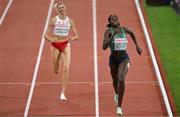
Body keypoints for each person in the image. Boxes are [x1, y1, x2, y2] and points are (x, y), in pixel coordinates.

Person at [102, 14, 142, 115]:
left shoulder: (124, 29)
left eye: (116, 18)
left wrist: (137, 46)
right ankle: (116, 93)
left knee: (121, 79)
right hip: (113, 59)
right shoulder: (108, 31)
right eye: (112, 19)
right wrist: (113, 36)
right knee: (115, 81)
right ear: (110, 22)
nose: (115, 20)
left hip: (124, 58)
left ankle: (119, 107)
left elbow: (132, 33)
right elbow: (104, 47)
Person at [44, 1, 79, 101]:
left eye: (63, 7)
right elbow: (45, 35)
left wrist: (72, 38)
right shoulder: (54, 20)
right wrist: (51, 39)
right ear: (57, 9)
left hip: (65, 45)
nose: (62, 9)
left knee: (66, 68)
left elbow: (77, 35)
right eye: (60, 8)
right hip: (55, 45)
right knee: (56, 70)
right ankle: (56, 64)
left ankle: (63, 93)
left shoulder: (70, 21)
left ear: (65, 8)